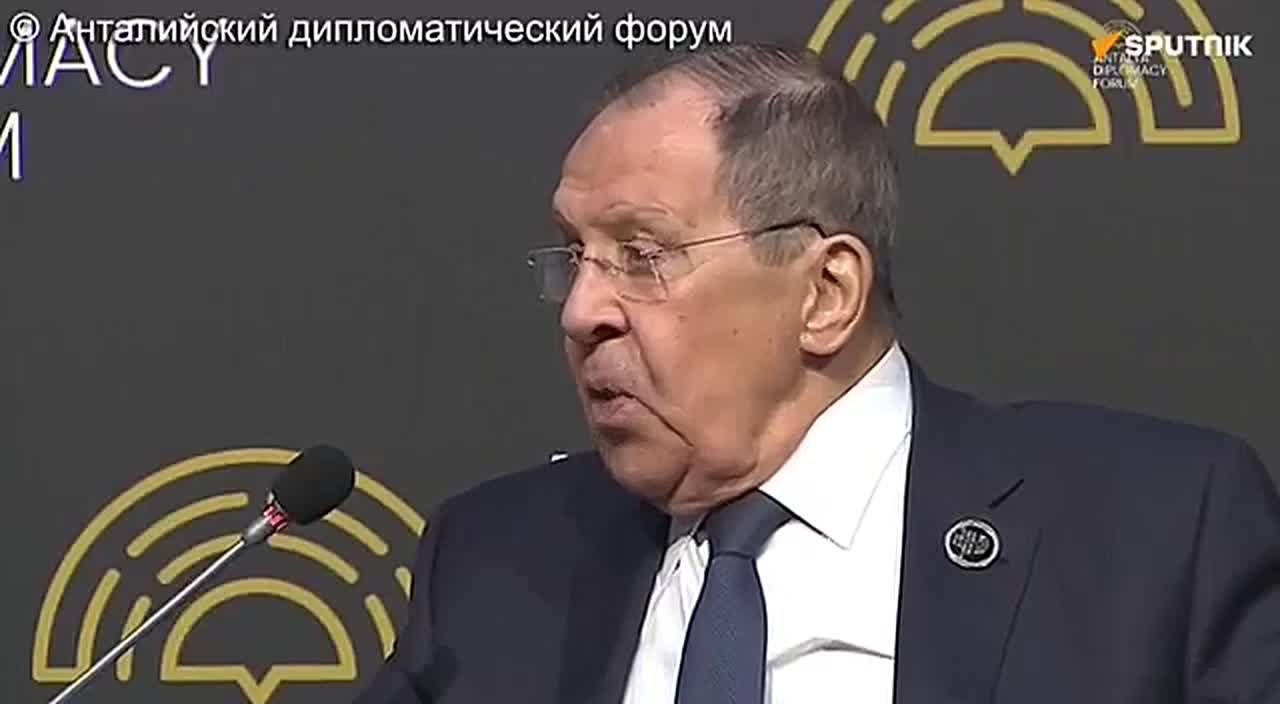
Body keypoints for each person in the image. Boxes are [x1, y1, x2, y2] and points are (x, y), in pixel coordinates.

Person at [355, 42, 1280, 703]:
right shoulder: (493, 562)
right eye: (574, 256)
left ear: (826, 292)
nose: (581, 311)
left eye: (642, 254)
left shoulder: (1156, 534)